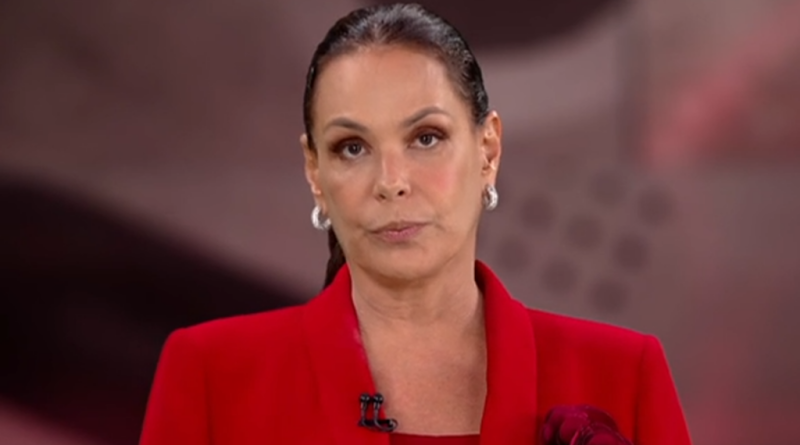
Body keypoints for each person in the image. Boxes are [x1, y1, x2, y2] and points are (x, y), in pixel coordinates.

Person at [138, 3, 692, 445]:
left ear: (488, 150)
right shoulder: (210, 376)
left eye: (426, 138)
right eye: (352, 147)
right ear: (315, 172)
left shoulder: (625, 375)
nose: (392, 181)